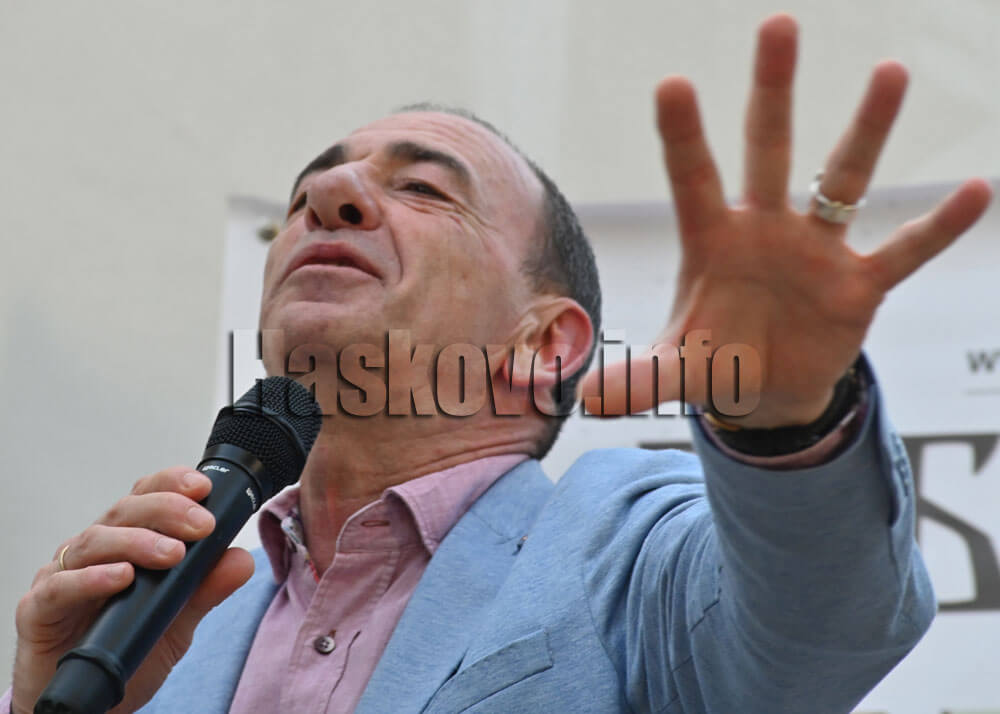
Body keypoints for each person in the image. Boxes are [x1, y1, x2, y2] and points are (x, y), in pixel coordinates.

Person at [5, 14, 992, 714]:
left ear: (544, 344)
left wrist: (787, 415)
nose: (331, 193)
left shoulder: (620, 543)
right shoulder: (170, 618)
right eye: (311, 190)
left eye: (424, 189)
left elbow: (825, 629)